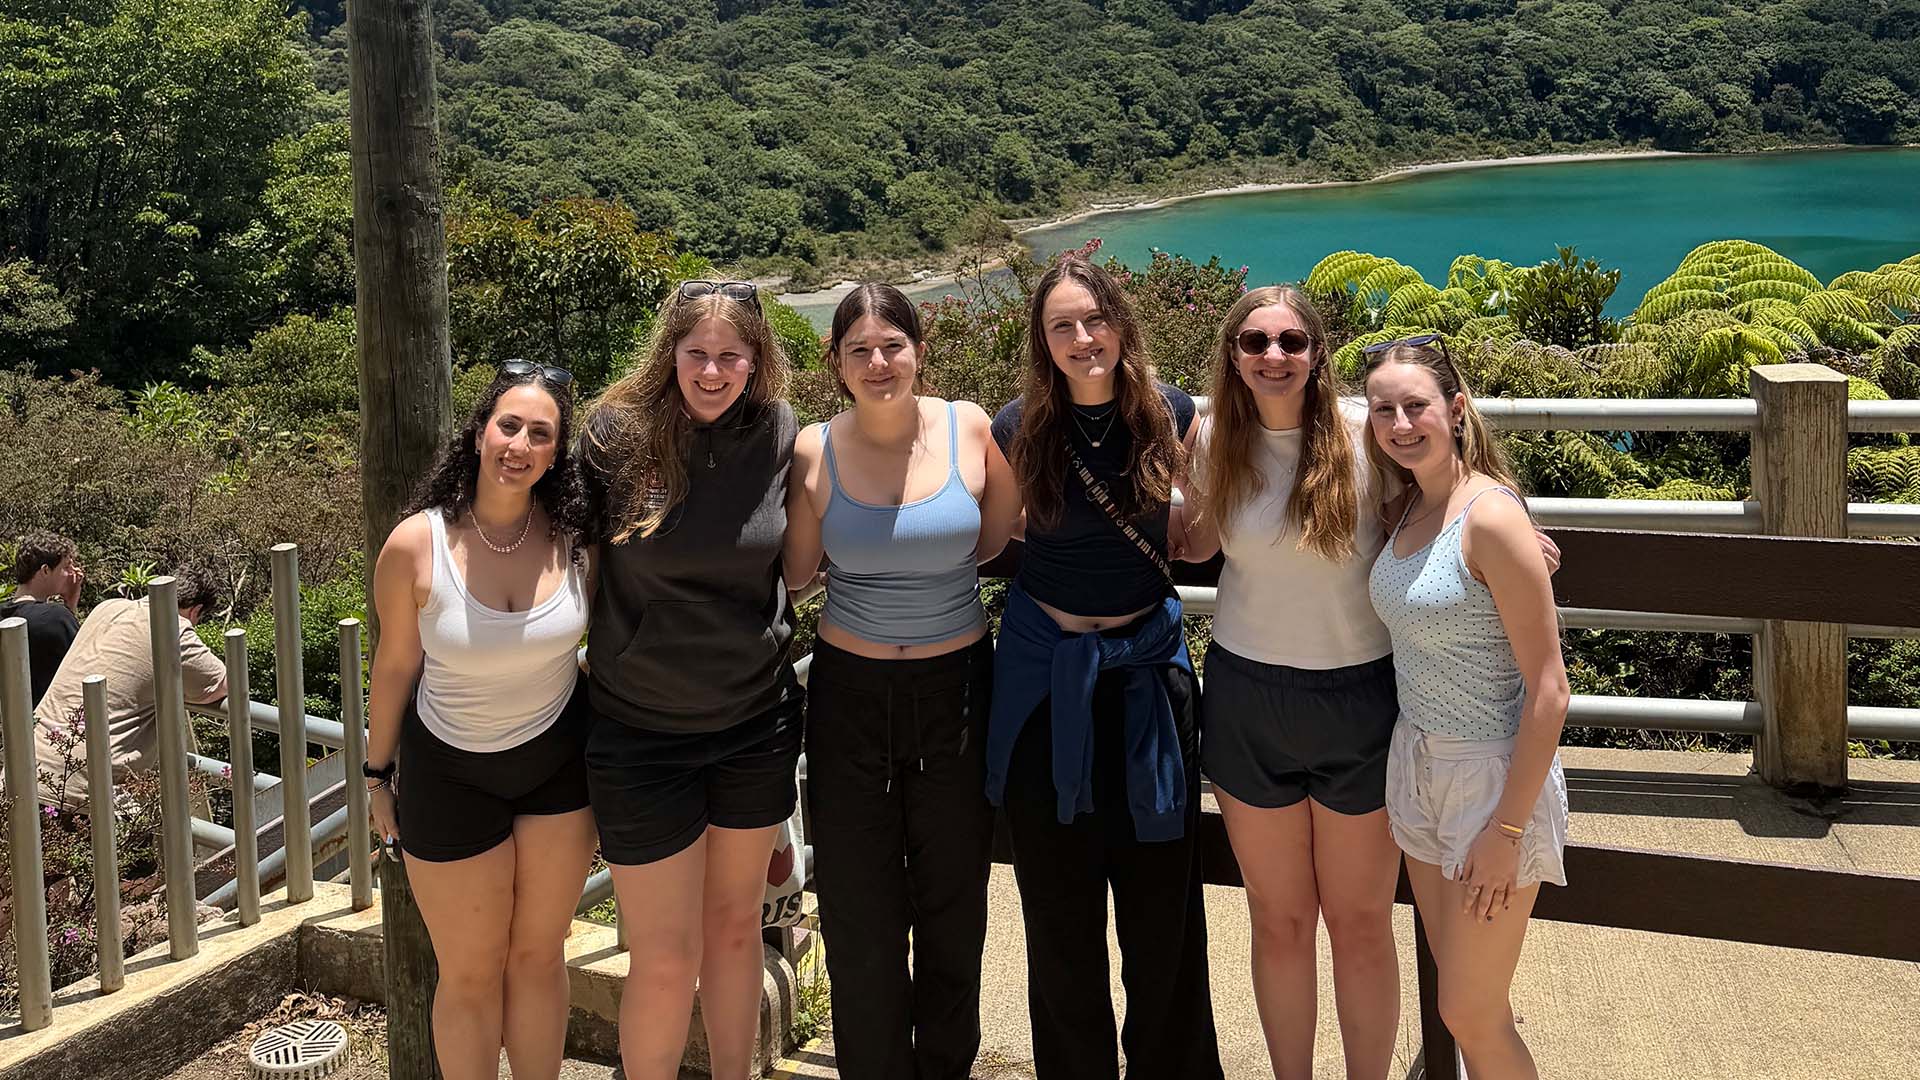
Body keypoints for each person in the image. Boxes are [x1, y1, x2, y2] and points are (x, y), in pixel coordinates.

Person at [986, 256, 1223, 1080]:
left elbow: (1199, 540)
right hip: (1048, 686)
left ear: (1121, 324)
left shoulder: (1174, 413)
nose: (1083, 338)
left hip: (1147, 682)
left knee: (1164, 911)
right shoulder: (1017, 427)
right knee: (1059, 914)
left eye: (1095, 320)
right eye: (1063, 325)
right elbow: (996, 532)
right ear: (1042, 340)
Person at [782, 284, 1019, 1079]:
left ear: (919, 350)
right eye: (860, 350)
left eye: (893, 346)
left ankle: (945, 1065)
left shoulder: (970, 427)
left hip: (957, 690)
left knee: (954, 899)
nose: (878, 362)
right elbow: (797, 571)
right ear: (837, 362)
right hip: (849, 696)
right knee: (859, 907)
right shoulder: (813, 449)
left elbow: (994, 541)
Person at [1176, 286, 1403, 1080]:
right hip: (1248, 699)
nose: (1273, 356)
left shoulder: (1364, 433)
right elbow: (1192, 542)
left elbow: (1446, 485)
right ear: (1233, 356)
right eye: (1255, 342)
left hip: (1360, 698)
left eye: (1291, 342)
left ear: (1317, 354)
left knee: (1361, 922)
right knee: (1278, 921)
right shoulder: (1213, 441)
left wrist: (1507, 520)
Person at [577, 280, 800, 1080]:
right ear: (668, 353)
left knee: (736, 932)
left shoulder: (776, 429)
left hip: (754, 719)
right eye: (696, 353)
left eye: (730, 356)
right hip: (640, 729)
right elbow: (574, 562)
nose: (712, 372)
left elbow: (795, 556)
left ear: (756, 359)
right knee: (665, 957)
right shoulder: (615, 434)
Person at [362, 361, 597, 1080]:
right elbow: (394, 667)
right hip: (449, 773)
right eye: (509, 425)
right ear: (478, 434)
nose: (520, 444)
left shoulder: (576, 539)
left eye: (540, 434)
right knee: (469, 973)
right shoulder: (415, 545)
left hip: (558, 765)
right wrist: (376, 775)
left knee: (539, 956)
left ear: (556, 454)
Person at [1363, 336, 1570, 1080]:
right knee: (1468, 1000)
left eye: (1416, 406)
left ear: (1455, 409)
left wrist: (1506, 831)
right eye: (1383, 410)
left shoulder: (1489, 516)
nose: (1400, 424)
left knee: (1471, 1014)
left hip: (1489, 780)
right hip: (1417, 764)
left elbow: (1550, 689)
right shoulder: (1410, 505)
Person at [27, 560, 225, 809]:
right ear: (196, 611)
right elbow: (222, 684)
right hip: (80, 790)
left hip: (26, 764)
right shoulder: (173, 629)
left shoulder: (108, 608)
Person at [4, 530, 84, 705]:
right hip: (49, 717)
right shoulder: (56, 618)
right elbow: (82, 666)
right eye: (66, 567)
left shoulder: (5, 615)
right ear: (45, 571)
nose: (73, 573)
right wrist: (69, 608)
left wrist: (70, 605)